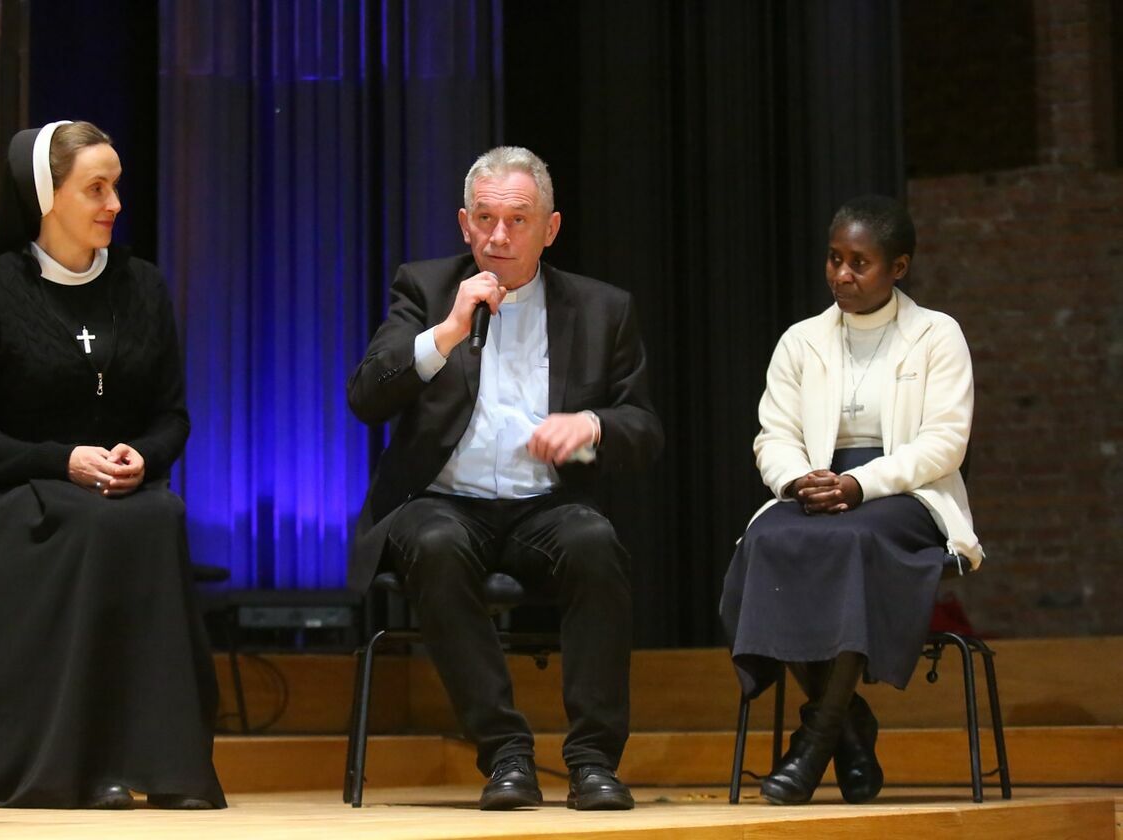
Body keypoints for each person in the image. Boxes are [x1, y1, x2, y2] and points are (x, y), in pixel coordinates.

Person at [0, 121, 226, 810]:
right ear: (45, 196)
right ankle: (85, 766)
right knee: (95, 527)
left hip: (117, 495)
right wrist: (63, 461)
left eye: (116, 186)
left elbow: (172, 415)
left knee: (158, 515)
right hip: (11, 501)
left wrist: (142, 456)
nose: (115, 203)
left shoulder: (143, 287)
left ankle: (159, 766)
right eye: (96, 188)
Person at [347, 147, 662, 811]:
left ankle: (593, 762)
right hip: (441, 502)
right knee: (434, 544)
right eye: (485, 218)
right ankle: (507, 756)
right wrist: (447, 331)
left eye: (518, 220)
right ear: (464, 224)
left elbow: (643, 428)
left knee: (595, 545)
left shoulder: (603, 308)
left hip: (545, 505)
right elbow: (366, 396)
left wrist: (592, 424)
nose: (498, 235)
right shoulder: (425, 289)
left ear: (550, 228)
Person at [720, 195, 984, 805]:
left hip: (907, 492)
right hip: (817, 486)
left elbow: (945, 441)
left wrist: (861, 484)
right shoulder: (801, 340)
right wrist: (797, 481)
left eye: (859, 263)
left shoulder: (937, 335)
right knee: (766, 541)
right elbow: (773, 435)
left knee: (852, 539)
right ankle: (849, 726)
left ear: (898, 267)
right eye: (834, 258)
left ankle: (815, 743)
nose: (841, 274)